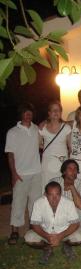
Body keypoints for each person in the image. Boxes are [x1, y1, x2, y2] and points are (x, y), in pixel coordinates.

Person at [5, 102, 42, 245]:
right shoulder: (12, 132)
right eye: (25, 112)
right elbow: (10, 155)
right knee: (18, 203)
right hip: (20, 174)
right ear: (21, 114)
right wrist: (13, 173)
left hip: (37, 172)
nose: (28, 115)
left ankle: (33, 227)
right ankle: (15, 230)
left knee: (35, 203)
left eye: (30, 112)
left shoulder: (36, 129)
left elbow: (42, 144)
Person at [24, 181, 81, 264]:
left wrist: (60, 236)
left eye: (57, 195)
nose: (54, 198)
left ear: (61, 194)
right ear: (45, 194)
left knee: (80, 237)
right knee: (29, 238)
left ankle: (67, 245)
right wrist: (47, 236)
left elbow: (75, 224)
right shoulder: (38, 203)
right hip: (45, 232)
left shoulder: (68, 203)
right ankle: (47, 248)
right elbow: (35, 224)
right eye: (51, 195)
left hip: (64, 232)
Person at [39, 101, 71, 190]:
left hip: (62, 163)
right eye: (53, 110)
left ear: (61, 112)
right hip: (47, 164)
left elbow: (70, 147)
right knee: (46, 187)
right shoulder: (42, 128)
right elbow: (38, 145)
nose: (56, 112)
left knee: (62, 188)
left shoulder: (66, 128)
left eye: (58, 110)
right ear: (49, 113)